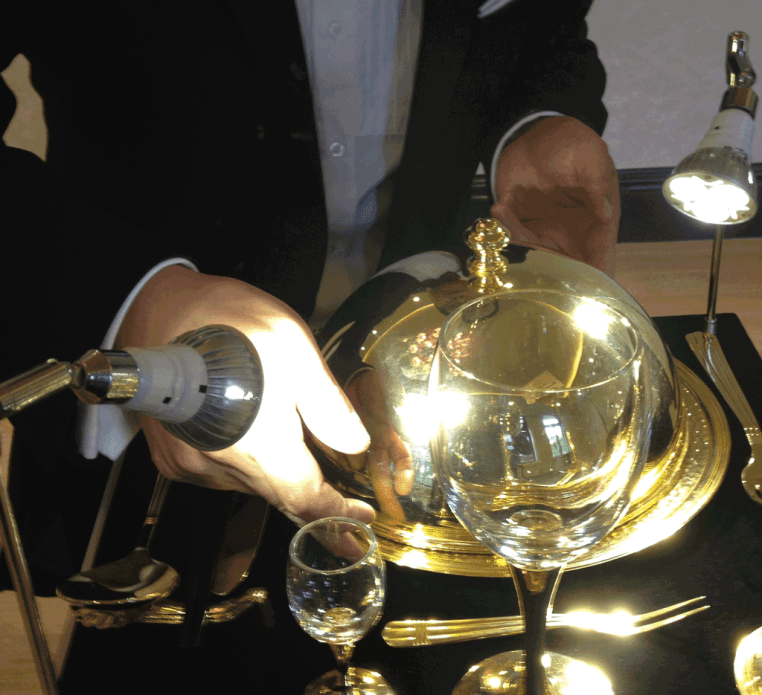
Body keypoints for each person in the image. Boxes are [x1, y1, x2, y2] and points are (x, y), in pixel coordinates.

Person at [0, 0, 617, 585]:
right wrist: (135, 300)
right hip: (139, 374)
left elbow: (545, 29)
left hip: (421, 373)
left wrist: (540, 119)